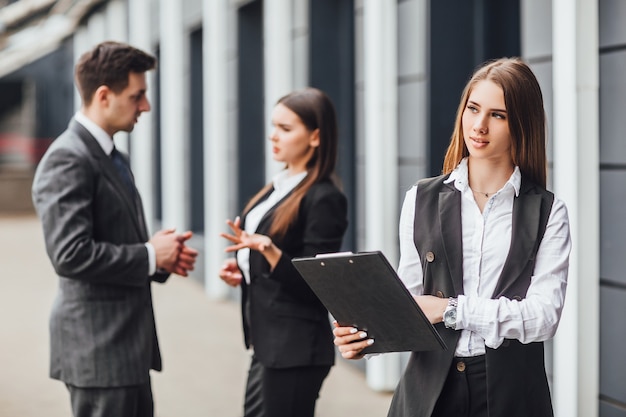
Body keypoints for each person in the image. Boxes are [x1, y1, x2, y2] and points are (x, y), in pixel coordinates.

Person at [333, 57, 571, 417]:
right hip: (429, 394)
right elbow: (408, 299)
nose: (479, 125)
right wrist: (366, 338)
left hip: (512, 396)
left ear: (521, 124)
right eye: (473, 108)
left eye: (498, 115)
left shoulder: (547, 211)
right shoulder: (421, 198)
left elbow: (543, 316)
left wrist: (452, 310)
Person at [31, 41, 198, 417]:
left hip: (125, 348)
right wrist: (152, 253)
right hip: (100, 351)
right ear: (104, 96)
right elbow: (70, 255)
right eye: (137, 96)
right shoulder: (67, 158)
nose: (146, 106)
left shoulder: (110, 155)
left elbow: (116, 240)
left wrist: (161, 259)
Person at [219, 87, 348, 417]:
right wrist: (244, 267)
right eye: (274, 126)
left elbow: (319, 286)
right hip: (268, 344)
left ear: (316, 137)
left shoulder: (324, 198)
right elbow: (269, 257)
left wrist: (270, 253)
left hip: (295, 349)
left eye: (286, 129)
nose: (273, 136)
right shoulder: (280, 186)